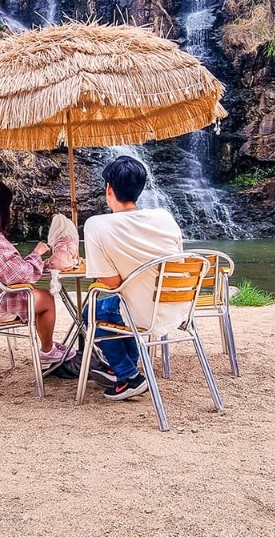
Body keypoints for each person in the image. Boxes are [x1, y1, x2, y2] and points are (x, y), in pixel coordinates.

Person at [83, 156, 185, 400]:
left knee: (92, 311)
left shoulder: (96, 225)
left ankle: (128, 375)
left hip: (141, 314)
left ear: (109, 188)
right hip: (179, 306)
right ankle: (125, 366)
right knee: (114, 306)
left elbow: (111, 283)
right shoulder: (165, 217)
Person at [0, 179, 76, 366]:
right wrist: (37, 254)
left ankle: (48, 347)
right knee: (45, 299)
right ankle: (47, 350)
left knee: (33, 296)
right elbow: (21, 276)